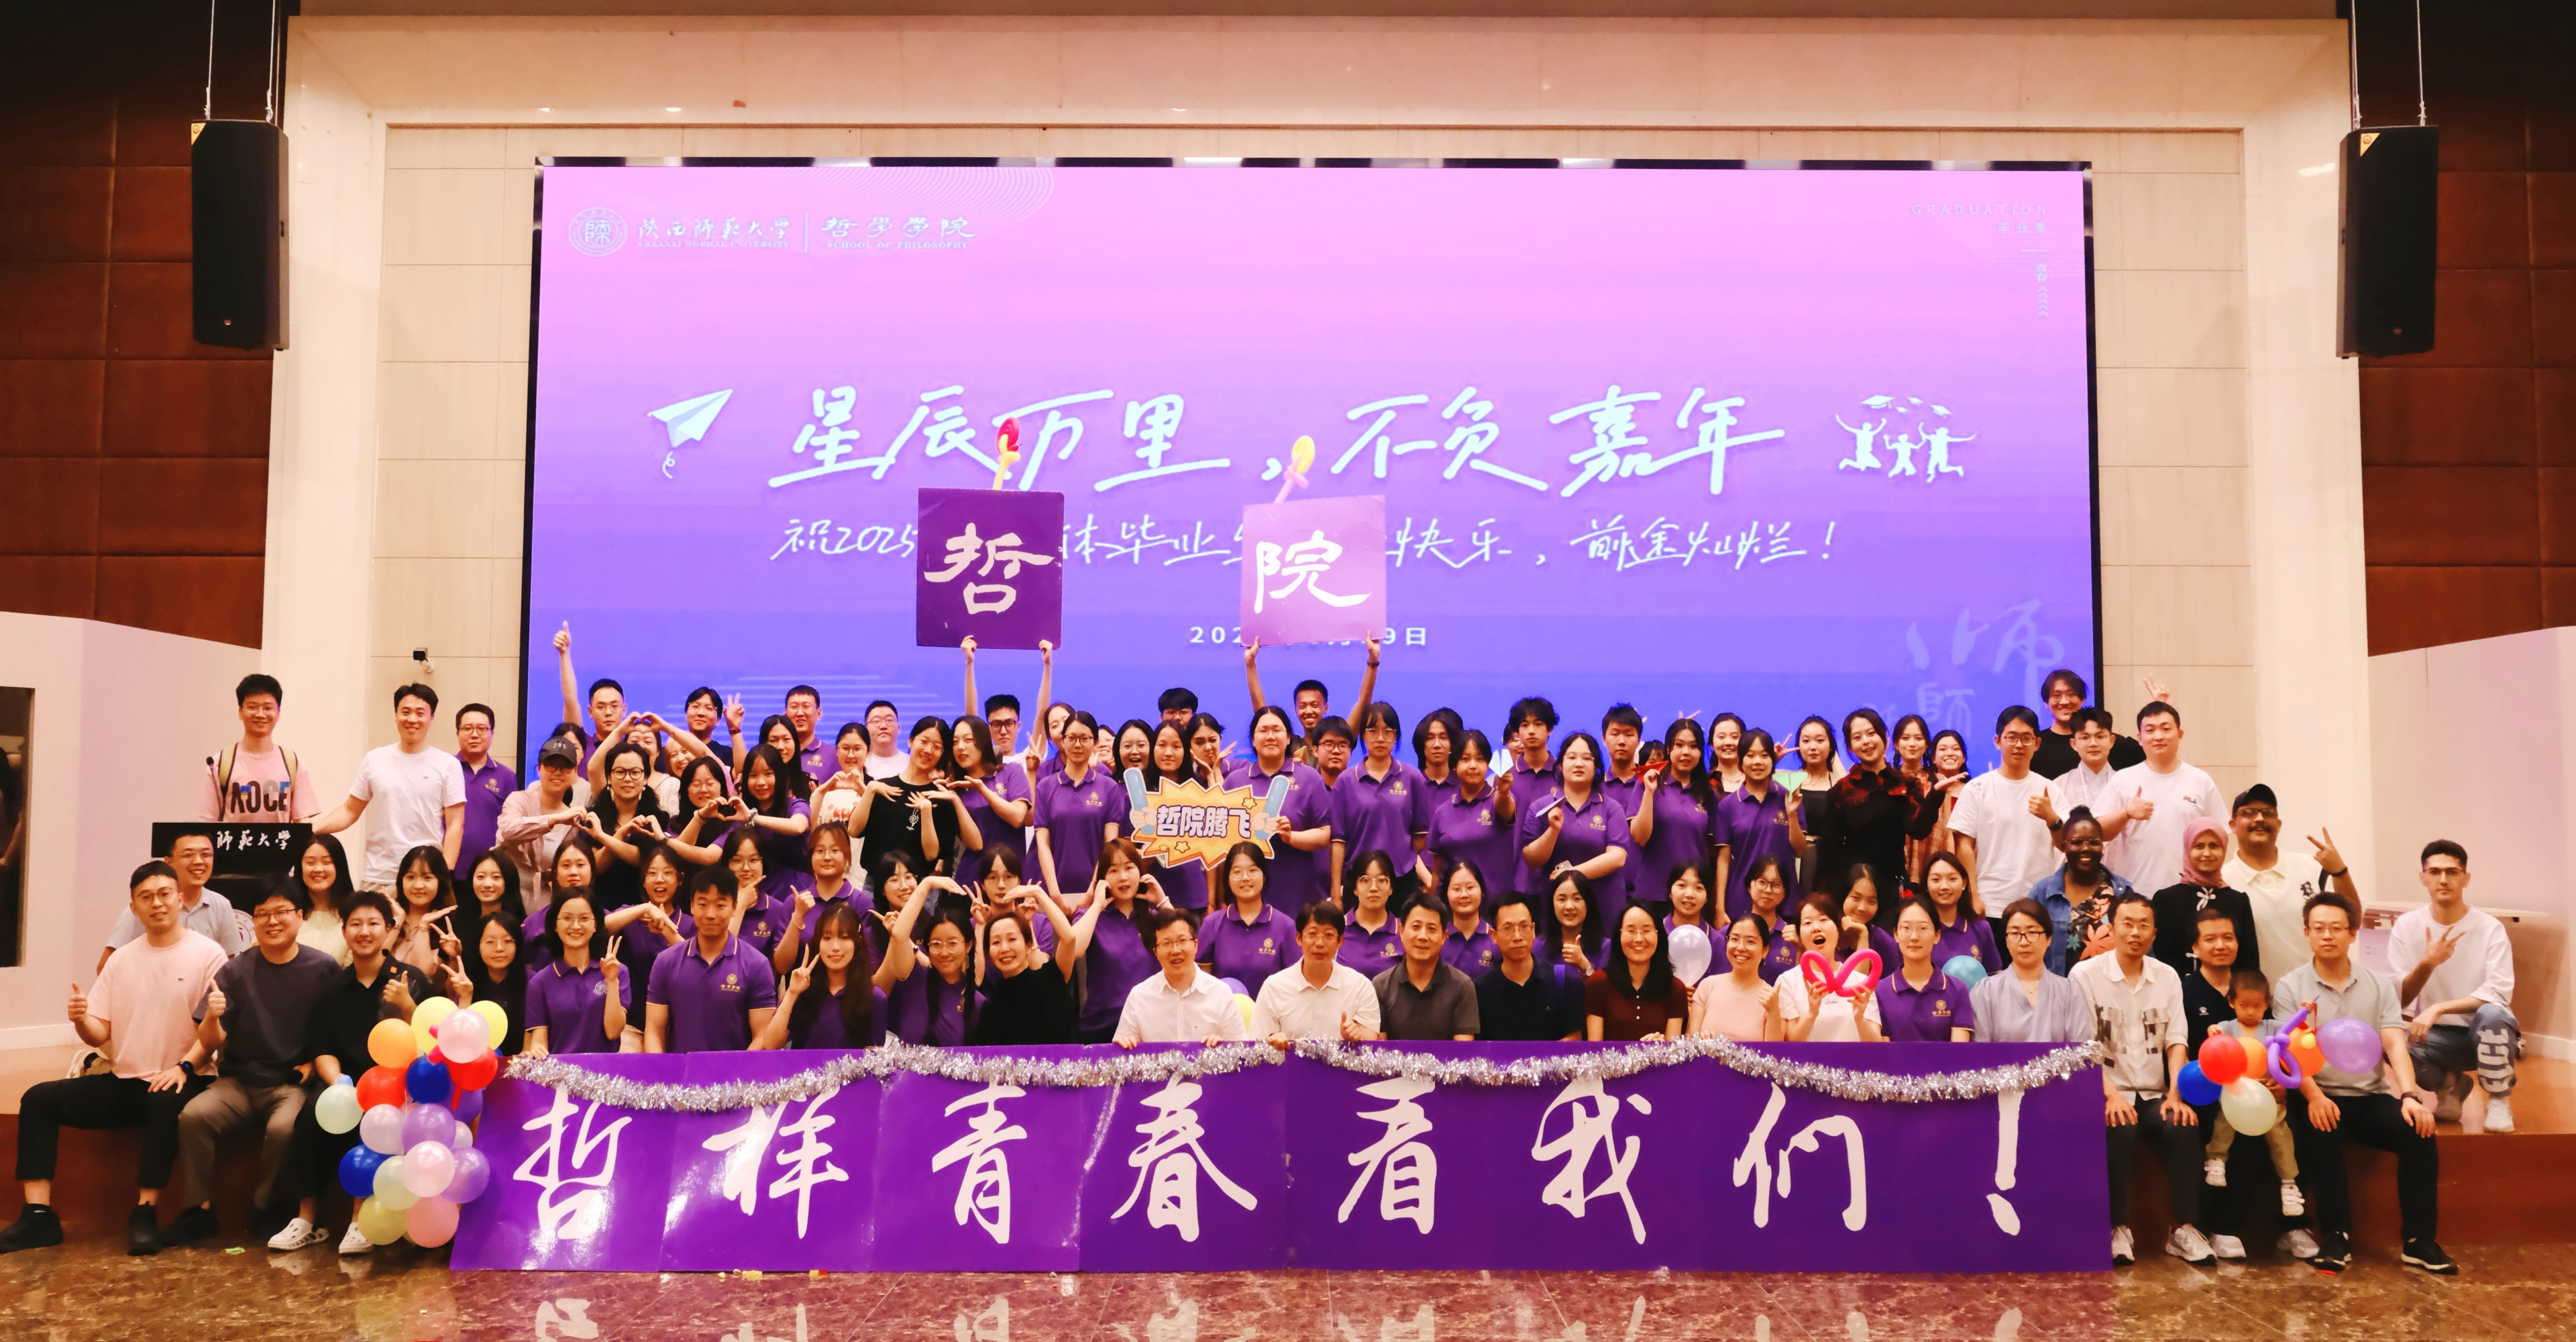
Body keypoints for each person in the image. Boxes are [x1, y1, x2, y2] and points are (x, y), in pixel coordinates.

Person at [0, 863, 223, 1257]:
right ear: (133, 908)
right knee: (39, 1098)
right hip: (127, 1080)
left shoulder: (208, 954)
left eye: (164, 894)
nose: (157, 903)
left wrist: (183, 1067)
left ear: (179, 898)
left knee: (163, 1099)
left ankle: (144, 1213)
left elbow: (213, 1033)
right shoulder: (122, 960)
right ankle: (38, 1215)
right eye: (146, 897)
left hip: (188, 1076)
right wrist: (81, 1019)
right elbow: (99, 1033)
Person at [2277, 890, 2450, 1276]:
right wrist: (2315, 1097)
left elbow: (2394, 1043)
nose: (2327, 935)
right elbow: (2290, 1052)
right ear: (2306, 933)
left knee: (2418, 1130)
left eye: (2336, 928)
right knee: (2321, 1132)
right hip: (2318, 1094)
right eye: (2319, 928)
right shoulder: (2290, 987)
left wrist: (2410, 1096)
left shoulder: (2379, 984)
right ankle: (2337, 1235)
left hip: (2370, 1095)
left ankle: (2419, 1240)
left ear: (2353, 933)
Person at [169, 880, 341, 1249]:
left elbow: (335, 1031)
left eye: (281, 912)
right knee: (193, 1117)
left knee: (284, 1129)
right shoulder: (234, 971)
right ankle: (198, 1210)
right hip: (238, 1081)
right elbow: (211, 1041)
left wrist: (315, 1063)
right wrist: (212, 1018)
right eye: (263, 914)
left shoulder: (324, 968)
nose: (272, 921)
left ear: (301, 916)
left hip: (290, 1083)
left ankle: (264, 1208)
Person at [285, 891, 439, 1256]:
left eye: (373, 923)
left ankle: (360, 1221)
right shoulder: (331, 991)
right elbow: (322, 1049)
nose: (364, 931)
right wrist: (337, 1082)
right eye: (355, 924)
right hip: (349, 1082)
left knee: (377, 1119)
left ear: (389, 929)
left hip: (401, 1084)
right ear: (344, 931)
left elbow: (430, 1041)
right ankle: (306, 1219)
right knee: (309, 1116)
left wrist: (407, 1006)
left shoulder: (410, 979)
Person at [2070, 891, 2214, 1268]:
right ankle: (2117, 1228)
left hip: (2153, 1093)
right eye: (2127, 924)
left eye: (2143, 926)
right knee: (2121, 1127)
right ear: (2111, 928)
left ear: (2154, 933)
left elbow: (2177, 1041)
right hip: (2106, 1091)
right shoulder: (2085, 976)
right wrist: (2110, 1095)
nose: (2135, 933)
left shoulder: (2167, 977)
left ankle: (2183, 1229)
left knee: (2183, 1125)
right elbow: (2084, 1046)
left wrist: (2176, 1094)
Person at [2391, 839, 2519, 1134]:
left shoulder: (2490, 928)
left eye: (2452, 872)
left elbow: (2499, 992)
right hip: (2438, 1037)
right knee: (2389, 1038)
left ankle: (2499, 1099)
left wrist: (2438, 1008)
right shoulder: (2407, 926)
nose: (2444, 879)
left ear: (2466, 878)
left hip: (2485, 1032)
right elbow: (2399, 998)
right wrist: (2427, 963)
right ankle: (2451, 1086)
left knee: (2493, 1015)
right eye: (2435, 872)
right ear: (2423, 877)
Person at [311, 683, 466, 891]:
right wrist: (316, 827)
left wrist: (445, 873)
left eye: (420, 713)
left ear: (431, 718)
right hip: (379, 874)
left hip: (425, 876)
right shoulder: (375, 759)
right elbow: (350, 810)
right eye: (406, 712)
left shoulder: (448, 765)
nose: (412, 719)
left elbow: (455, 824)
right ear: (395, 715)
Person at [1794, 709, 1937, 900]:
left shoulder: (1906, 784)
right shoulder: (1841, 790)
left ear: (1885, 737)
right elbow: (1830, 849)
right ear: (1850, 747)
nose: (1866, 741)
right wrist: (1823, 896)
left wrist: (1936, 796)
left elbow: (1918, 830)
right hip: (1854, 886)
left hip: (1892, 884)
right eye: (1857, 737)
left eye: (1872, 734)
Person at [2221, 784, 2356, 984]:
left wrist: (2340, 872)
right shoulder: (2222, 881)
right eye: (2249, 813)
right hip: (2258, 999)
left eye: (2268, 812)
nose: (2259, 818)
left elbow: (2353, 920)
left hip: (2317, 992)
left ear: (2279, 824)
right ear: (2233, 825)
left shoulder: (2311, 867)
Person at [2200, 965, 2305, 1219]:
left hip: (2267, 1097)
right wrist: (2212, 1032)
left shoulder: (2272, 1028)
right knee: (2224, 1120)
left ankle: (2289, 1183)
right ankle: (2216, 1159)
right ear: (2231, 1002)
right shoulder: (2227, 1028)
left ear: (2267, 1004)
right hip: (2235, 1094)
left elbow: (2296, 1030)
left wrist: (2305, 1011)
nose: (2250, 1012)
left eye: (2257, 1006)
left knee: (2280, 1132)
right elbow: (2214, 1040)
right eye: (2244, 1005)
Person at [643, 869, 780, 1053]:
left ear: (734, 907)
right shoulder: (666, 962)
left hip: (735, 1070)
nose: (710, 914)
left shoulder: (757, 965)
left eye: (720, 905)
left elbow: (762, 1036)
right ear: (692, 906)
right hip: (680, 1070)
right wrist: (662, 1069)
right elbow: (654, 1031)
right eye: (703, 904)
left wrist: (736, 1070)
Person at [1223, 705, 1334, 915]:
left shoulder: (1309, 778)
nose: (1270, 736)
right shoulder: (1234, 782)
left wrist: (1291, 837)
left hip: (1297, 889)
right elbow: (1222, 838)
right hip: (1245, 890)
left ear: (1289, 737)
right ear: (1253, 740)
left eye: (1277, 730)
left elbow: (1324, 834)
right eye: (1263, 731)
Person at [2103, 701, 2222, 892]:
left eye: (2166, 729)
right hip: (2137, 895)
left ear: (2180, 734)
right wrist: (2126, 813)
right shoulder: (2123, 780)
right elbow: (2098, 831)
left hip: (2191, 893)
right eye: (2150, 730)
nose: (2158, 736)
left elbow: (2219, 837)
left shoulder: (2201, 781)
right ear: (2140, 738)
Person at [1945, 707, 2054, 910]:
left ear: (2037, 743)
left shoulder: (2051, 790)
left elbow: (2065, 842)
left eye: (2026, 738)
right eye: (2011, 738)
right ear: (1998, 741)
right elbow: (1964, 846)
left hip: (2039, 904)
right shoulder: (1977, 788)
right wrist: (1973, 896)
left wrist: (2052, 818)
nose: (2019, 745)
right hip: (1990, 902)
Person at [102, 829, 249, 968]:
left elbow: (228, 965)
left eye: (206, 855)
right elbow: (107, 965)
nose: (198, 861)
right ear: (169, 862)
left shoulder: (221, 905)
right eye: (188, 855)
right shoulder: (149, 906)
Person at [969, 882, 1093, 1046]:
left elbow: (1069, 938)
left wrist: (1038, 893)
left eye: (1012, 939)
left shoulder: (1050, 977)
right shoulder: (990, 1010)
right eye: (996, 942)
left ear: (1028, 945)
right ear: (989, 952)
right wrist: (980, 926)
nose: (1004, 948)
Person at [1330, 702, 1432, 900]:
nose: (1380, 739)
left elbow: (1419, 838)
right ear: (1363, 735)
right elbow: (1338, 842)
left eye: (1388, 732)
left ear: (1396, 736)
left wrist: (1398, 855)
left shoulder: (1412, 778)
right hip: (1358, 880)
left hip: (1402, 880)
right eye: (1373, 731)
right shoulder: (1346, 781)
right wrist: (1335, 892)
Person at [1114, 908, 1253, 1047]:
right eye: (1166, 943)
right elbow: (1121, 1053)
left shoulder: (1221, 993)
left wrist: (1223, 1048)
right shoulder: (1139, 997)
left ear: (1196, 945)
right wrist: (1123, 1046)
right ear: (1156, 952)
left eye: (1182, 940)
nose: (1175, 950)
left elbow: (1242, 1051)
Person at [757, 903, 888, 1049]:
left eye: (844, 937)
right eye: (827, 938)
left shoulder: (875, 997)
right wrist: (792, 994)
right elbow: (770, 1045)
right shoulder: (802, 990)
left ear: (857, 943)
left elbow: (874, 1057)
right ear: (818, 942)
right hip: (804, 1065)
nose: (835, 947)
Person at [1518, 731, 1629, 896]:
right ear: (1560, 766)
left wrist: (1572, 874)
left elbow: (1617, 857)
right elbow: (1532, 860)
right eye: (1571, 758)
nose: (1579, 764)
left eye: (1587, 758)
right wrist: (1553, 830)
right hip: (1556, 901)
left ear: (1596, 767)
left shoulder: (1612, 808)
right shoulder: (1541, 807)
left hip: (1603, 901)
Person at [2148, 818, 2259, 981]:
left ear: (2224, 848)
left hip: (2229, 993)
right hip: (2176, 991)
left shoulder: (2238, 901)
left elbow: (2249, 961)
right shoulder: (2166, 900)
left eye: (2214, 846)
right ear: (2187, 849)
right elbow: (2160, 957)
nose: (2207, 854)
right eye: (2199, 846)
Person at [1032, 711, 1125, 906]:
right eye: (1072, 738)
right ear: (1063, 741)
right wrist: (1054, 894)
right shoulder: (1045, 787)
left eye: (1085, 739)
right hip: (1053, 895)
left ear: (1095, 743)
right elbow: (1043, 844)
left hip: (1097, 894)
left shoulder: (1109, 787)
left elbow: (1109, 845)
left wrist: (1092, 891)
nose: (1077, 745)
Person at [1252, 903, 1381, 1043]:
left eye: (1329, 935)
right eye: (1312, 934)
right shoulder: (1274, 987)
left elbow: (1370, 1046)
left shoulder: (1361, 987)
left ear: (1340, 941)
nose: (1320, 943)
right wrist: (1272, 1043)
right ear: (1299, 938)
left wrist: (1355, 1038)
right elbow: (1256, 1045)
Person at [199, 674, 319, 823]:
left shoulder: (293, 763)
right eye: (252, 707)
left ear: (278, 713)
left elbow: (302, 821)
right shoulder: (219, 763)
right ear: (240, 711)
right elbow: (206, 823)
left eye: (268, 708)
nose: (260, 714)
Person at [1242, 634, 1378, 765]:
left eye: (1314, 705)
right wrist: (1250, 662)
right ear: (1296, 710)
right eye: (1302, 706)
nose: (1308, 711)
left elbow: (1363, 703)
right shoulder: (1290, 745)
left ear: (1326, 708)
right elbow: (1262, 712)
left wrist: (1373, 659)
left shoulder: (1339, 740)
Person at [1970, 899, 2093, 1043]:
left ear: (2048, 939)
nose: (2024, 942)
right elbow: (1979, 1050)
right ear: (2006, 941)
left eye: (2032, 932)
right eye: (2015, 933)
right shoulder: (1985, 991)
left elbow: (2079, 1047)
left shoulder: (2069, 991)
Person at [1631, 718, 1717, 919]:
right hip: (1653, 892)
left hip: (1692, 896)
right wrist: (1649, 793)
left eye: (1693, 746)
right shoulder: (1649, 782)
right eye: (1679, 745)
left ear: (1701, 752)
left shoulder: (1708, 793)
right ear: (1669, 748)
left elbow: (1712, 849)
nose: (1686, 752)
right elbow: (1639, 837)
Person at [2029, 808, 2133, 975]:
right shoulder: (2043, 893)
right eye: (2077, 842)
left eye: (2094, 842)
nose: (2086, 848)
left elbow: (2138, 948)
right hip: (2058, 988)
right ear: (2064, 847)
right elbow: (2026, 946)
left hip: (2110, 989)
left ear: (2102, 847)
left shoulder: (2122, 892)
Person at [523, 893, 628, 1057]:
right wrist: (536, 1049)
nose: (576, 926)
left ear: (596, 925)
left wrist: (612, 981)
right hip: (559, 1069)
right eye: (567, 918)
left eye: (584, 918)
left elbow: (613, 1032)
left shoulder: (618, 971)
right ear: (555, 925)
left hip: (604, 1069)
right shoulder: (539, 982)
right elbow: (539, 1040)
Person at [1422, 729, 1517, 903]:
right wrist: (1434, 906)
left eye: (1480, 759)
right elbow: (1437, 871)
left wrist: (1504, 792)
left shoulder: (1498, 800)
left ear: (1488, 765)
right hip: (1455, 907)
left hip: (1496, 907)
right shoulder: (1442, 812)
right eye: (1465, 759)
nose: (1473, 766)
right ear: (1454, 764)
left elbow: (1506, 808)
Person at [1711, 729, 1797, 921]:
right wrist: (1719, 908)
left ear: (1773, 761)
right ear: (1740, 762)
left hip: (1783, 899)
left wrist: (1792, 814)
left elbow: (1799, 850)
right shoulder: (1727, 805)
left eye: (1764, 755)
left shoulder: (1788, 796)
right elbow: (1724, 859)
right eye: (1750, 756)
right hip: (1740, 901)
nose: (1757, 762)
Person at [1773, 894, 1884, 1042]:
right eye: (1807, 923)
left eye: (1824, 920)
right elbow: (1790, 1041)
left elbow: (1877, 1045)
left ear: (1838, 929)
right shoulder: (1787, 981)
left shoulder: (1861, 982)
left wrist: (1860, 1019)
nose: (1816, 928)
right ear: (1800, 935)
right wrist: (1812, 1013)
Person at [495, 733, 592, 902]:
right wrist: (554, 820)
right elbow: (508, 830)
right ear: (539, 768)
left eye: (565, 767)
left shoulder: (573, 820)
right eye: (551, 765)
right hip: (506, 896)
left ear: (574, 772)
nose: (558, 772)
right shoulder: (519, 800)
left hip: (545, 901)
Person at [1474, 896, 1583, 1042]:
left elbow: (1574, 1036)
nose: (1517, 936)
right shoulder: (1481, 990)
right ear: (1494, 936)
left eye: (1524, 926)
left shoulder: (1560, 980)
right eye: (1508, 928)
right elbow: (1479, 1047)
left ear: (1533, 930)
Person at [1199, 841, 1295, 1001]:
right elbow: (1202, 983)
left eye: (1253, 871)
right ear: (1228, 880)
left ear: (1264, 876)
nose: (1245, 878)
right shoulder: (1212, 924)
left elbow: (1293, 984)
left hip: (1272, 1014)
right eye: (1237, 872)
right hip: (1222, 1014)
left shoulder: (1285, 926)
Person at [1371, 898, 1479, 1041]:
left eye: (1432, 929)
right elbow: (1380, 1050)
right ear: (1401, 931)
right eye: (1416, 927)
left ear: (1444, 937)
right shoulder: (1380, 985)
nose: (1423, 936)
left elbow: (1463, 1051)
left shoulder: (1463, 986)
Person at [949, 714, 1030, 892]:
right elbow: (975, 844)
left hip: (1011, 880)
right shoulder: (955, 787)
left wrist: (982, 789)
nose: (960, 747)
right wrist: (954, 798)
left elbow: (1018, 818)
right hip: (971, 883)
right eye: (955, 742)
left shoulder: (1010, 772)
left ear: (983, 741)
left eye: (968, 740)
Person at [1875, 900, 1976, 1041]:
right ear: (1896, 934)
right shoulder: (1880, 991)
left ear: (1937, 936)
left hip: (1946, 1058)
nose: (1914, 937)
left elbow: (1958, 1051)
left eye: (1923, 928)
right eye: (1906, 928)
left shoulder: (1958, 989)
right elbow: (1884, 1051)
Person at [1587, 905, 1688, 1041]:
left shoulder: (1676, 989)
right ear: (1619, 934)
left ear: (1658, 935)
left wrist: (1659, 1049)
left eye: (1646, 931)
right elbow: (1594, 1049)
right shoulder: (1598, 983)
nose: (1639, 939)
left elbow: (1673, 1050)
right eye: (1631, 930)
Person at [2039, 709, 2133, 853]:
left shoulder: (2127, 785)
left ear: (2112, 741)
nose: (2093, 743)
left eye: (2100, 736)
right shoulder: (2058, 786)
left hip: (2118, 863)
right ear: (2073, 743)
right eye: (2085, 738)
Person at [2031, 668, 2147, 779]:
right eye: (2056, 696)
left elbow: (2151, 755)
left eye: (2071, 695)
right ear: (2046, 703)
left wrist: (2157, 709)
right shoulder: (2036, 745)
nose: (2064, 702)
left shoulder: (2107, 742)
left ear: (2083, 699)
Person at [449, 702, 519, 878]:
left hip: (490, 873)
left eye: (482, 729)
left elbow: (511, 827)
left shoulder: (507, 777)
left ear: (492, 734)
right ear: (457, 733)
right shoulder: (445, 770)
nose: (474, 735)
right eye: (467, 729)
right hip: (448, 870)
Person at [1689, 915, 1782, 1041]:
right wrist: (1702, 1045)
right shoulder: (1707, 986)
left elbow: (1774, 1051)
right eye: (1734, 939)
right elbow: (1689, 1044)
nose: (1741, 947)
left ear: (1765, 950)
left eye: (1750, 941)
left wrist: (1773, 1011)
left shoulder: (1771, 998)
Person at [1915, 851, 2000, 975]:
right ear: (1927, 885)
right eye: (1936, 879)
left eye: (1952, 879)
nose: (1944, 886)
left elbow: (1994, 977)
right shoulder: (1917, 931)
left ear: (1964, 883)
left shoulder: (1981, 929)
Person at [387, 843, 463, 980]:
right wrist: (397, 922)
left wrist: (423, 927)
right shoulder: (387, 914)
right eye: (411, 877)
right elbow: (376, 961)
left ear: (440, 882)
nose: (418, 886)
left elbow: (423, 973)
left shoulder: (450, 923)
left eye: (427, 878)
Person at [1336, 849, 1405, 976]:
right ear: (1355, 888)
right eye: (1365, 880)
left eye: (1381, 880)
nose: (1374, 888)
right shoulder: (1337, 929)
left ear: (1391, 888)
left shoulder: (1404, 932)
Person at [288, 833, 354, 964]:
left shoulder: (353, 914)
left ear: (339, 866)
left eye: (327, 862)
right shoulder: (286, 910)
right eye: (310, 863)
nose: (318, 869)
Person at [1741, 855, 1803, 984]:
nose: (1768, 890)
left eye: (1776, 885)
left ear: (1784, 893)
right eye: (1762, 882)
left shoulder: (1794, 938)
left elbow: (1801, 986)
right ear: (1749, 886)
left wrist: (1801, 949)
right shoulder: (1730, 934)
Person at [1433, 860, 1500, 978]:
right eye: (1456, 889)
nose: (1464, 895)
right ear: (1446, 894)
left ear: (1482, 891)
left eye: (1470, 887)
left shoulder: (1496, 939)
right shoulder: (1437, 939)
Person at [1541, 868, 1609, 980]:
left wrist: (1584, 964)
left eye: (1577, 899)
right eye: (1562, 899)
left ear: (1588, 903)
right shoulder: (1539, 946)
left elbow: (1604, 990)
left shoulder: (1605, 947)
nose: (1569, 906)